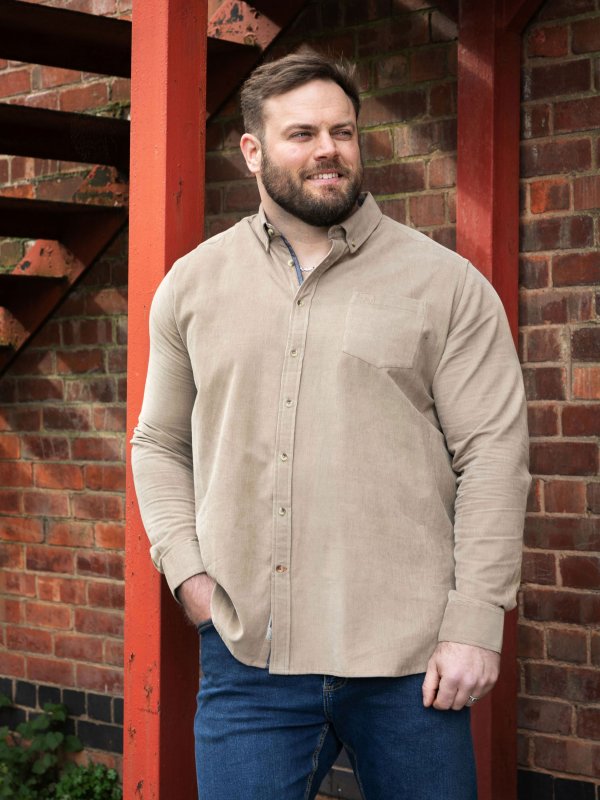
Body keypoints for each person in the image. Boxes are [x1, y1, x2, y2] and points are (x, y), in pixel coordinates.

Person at [131, 51, 531, 800]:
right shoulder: (192, 285)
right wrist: (187, 573)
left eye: (343, 132)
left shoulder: (445, 285)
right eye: (303, 134)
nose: (328, 150)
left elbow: (493, 456)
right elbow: (158, 442)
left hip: (410, 664)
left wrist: (475, 622)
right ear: (252, 151)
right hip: (249, 661)